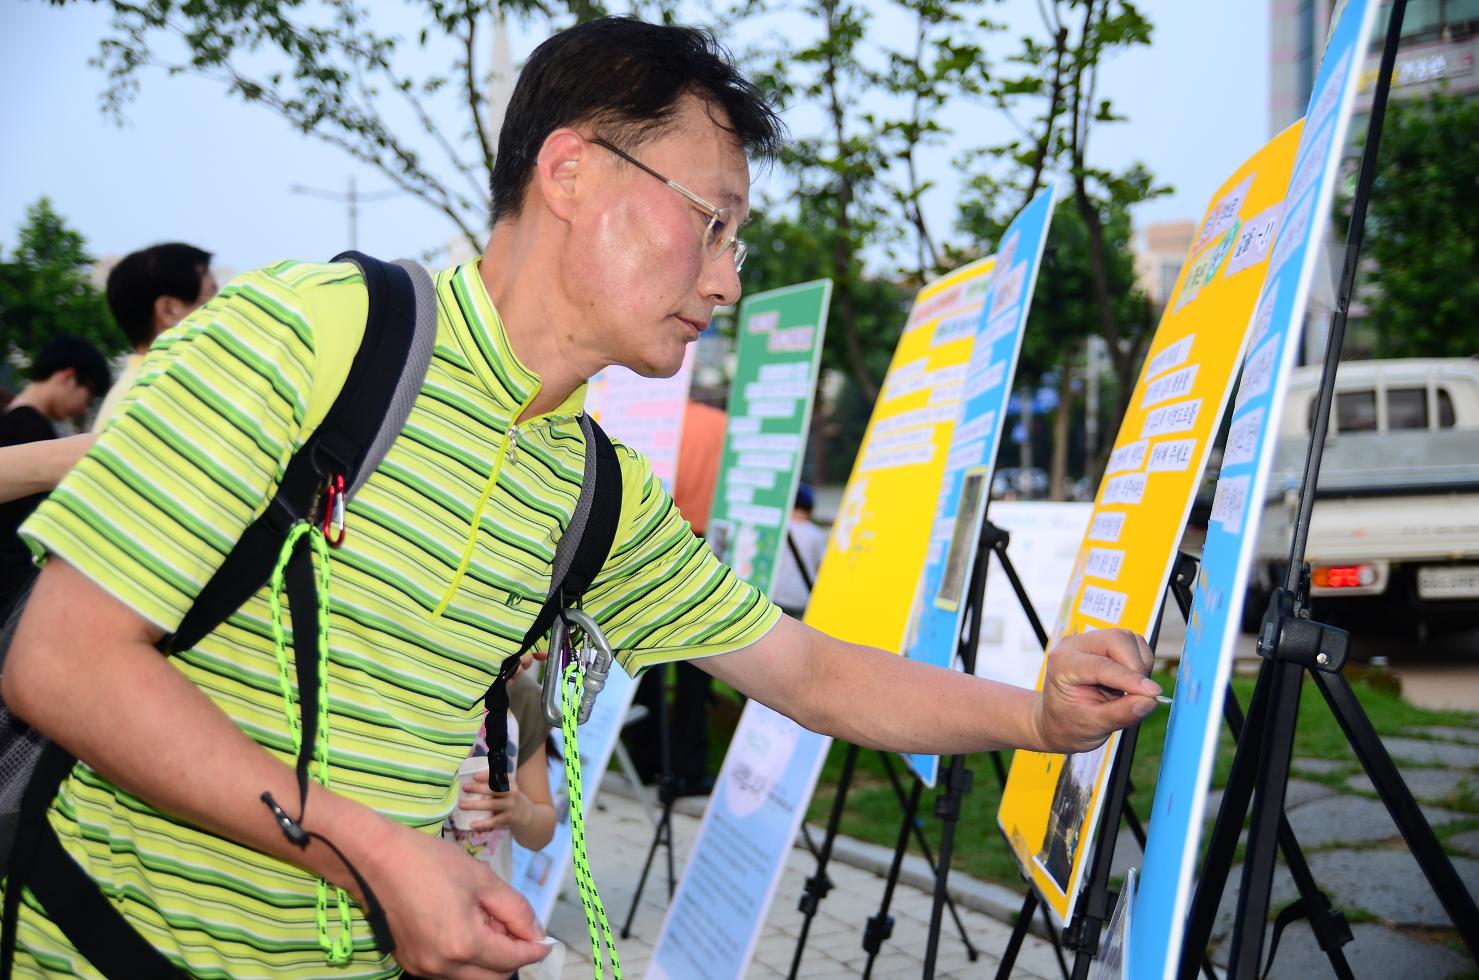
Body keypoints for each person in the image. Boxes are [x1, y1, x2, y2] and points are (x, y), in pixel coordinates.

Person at [3, 17, 1161, 980]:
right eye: (712, 222)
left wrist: (1036, 717)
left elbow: (807, 670)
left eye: (740, 242)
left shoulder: (593, 488)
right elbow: (64, 661)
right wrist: (374, 852)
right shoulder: (306, 335)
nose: (727, 276)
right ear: (569, 171)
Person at [626, 397, 728, 794]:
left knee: (647, 656)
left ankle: (647, 757)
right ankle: (686, 766)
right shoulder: (721, 425)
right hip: (706, 544)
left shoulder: (653, 422)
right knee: (701, 663)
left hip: (653, 540)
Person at [0, 337, 110, 610]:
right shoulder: (35, 432)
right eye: (90, 394)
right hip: (13, 584)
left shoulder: (7, 419)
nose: (85, 407)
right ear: (68, 377)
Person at [446, 672, 558, 884]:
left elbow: (542, 831)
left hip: (482, 894)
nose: (526, 659)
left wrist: (522, 812)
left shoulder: (523, 697)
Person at [94, 242, 217, 429]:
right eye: (211, 298)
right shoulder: (146, 397)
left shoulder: (140, 389)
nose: (223, 310)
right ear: (168, 310)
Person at [771, 482, 830, 618]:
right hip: (802, 598)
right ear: (810, 508)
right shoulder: (816, 534)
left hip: (776, 596)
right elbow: (821, 568)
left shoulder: (778, 529)